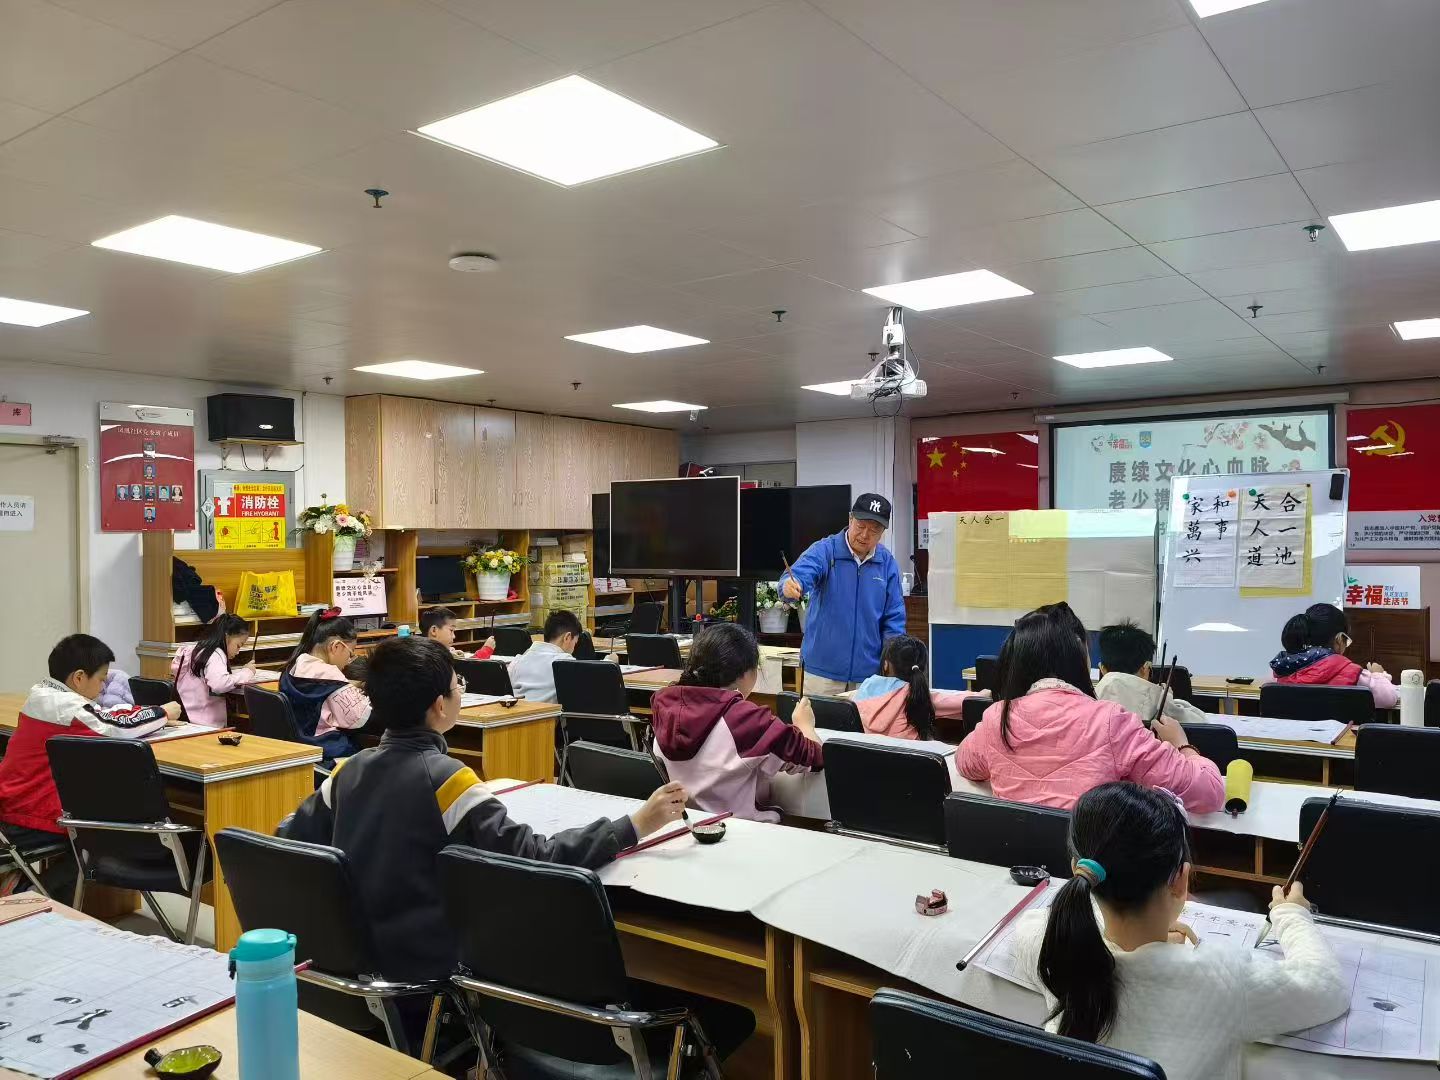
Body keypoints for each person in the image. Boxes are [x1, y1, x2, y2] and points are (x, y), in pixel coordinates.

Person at [283, 636, 690, 982]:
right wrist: (635, 824)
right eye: (457, 684)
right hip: (430, 967)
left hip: (356, 963)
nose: (460, 690)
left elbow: (288, 840)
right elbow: (538, 857)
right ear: (439, 705)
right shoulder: (449, 780)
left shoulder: (347, 771)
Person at [1010, 782, 1347, 1080]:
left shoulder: (1058, 948)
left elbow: (1030, 926)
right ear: (1180, 881)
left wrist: (1137, 939)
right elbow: (1325, 986)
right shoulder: (1223, 978)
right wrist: (1292, 914)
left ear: (1079, 871)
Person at [956, 609, 1223, 812]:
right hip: (1091, 865)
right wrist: (1183, 746)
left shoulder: (997, 717)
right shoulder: (1111, 721)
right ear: (1079, 659)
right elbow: (1208, 792)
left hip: (1015, 861)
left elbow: (964, 763)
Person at [0, 634, 179, 897]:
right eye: (101, 679)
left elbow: (103, 717)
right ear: (79, 678)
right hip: (29, 817)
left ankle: (29, 887)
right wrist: (162, 712)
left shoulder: (43, 697)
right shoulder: (67, 708)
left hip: (13, 807)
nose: (103, 686)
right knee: (103, 839)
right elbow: (116, 727)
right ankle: (29, 891)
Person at [652, 622, 823, 822]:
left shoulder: (666, 707)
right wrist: (805, 725)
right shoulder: (746, 720)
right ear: (745, 672)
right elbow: (815, 758)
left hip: (687, 826)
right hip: (744, 830)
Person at [780, 492, 905, 695]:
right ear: (850, 519)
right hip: (822, 672)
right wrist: (789, 585)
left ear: (883, 532)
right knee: (816, 718)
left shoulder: (887, 563)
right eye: (861, 526)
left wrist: (891, 660)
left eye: (874, 530)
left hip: (868, 676)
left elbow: (894, 617)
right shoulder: (825, 551)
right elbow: (800, 574)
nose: (865, 535)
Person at [280, 607, 371, 760]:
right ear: (335, 646)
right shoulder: (331, 675)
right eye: (350, 653)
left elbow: (320, 687)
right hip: (327, 751)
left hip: (302, 747)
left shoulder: (295, 666)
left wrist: (347, 685)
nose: (349, 661)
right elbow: (360, 718)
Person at [1269, 603, 1399, 707]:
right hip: (1339, 733)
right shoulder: (1351, 673)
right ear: (1339, 640)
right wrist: (1379, 675)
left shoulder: (1282, 670)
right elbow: (1388, 699)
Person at [848, 635, 969, 740]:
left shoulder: (864, 689)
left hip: (868, 757)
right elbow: (968, 701)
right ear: (920, 668)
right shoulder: (918, 695)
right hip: (909, 757)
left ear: (885, 665)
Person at [1095, 621, 1208, 727]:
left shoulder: (1090, 698)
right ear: (1145, 669)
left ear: (1102, 669)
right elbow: (1201, 722)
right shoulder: (1156, 699)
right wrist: (1166, 698)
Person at [170, 614, 261, 728]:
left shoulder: (192, 650)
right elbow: (219, 684)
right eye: (238, 645)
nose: (238, 652)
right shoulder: (216, 654)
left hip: (186, 719)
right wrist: (246, 672)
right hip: (207, 725)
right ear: (227, 636)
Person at [507, 610, 582, 703]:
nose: (574, 648)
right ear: (567, 637)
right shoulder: (566, 663)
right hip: (547, 712)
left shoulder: (518, 660)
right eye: (575, 643)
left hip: (517, 710)